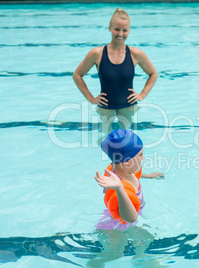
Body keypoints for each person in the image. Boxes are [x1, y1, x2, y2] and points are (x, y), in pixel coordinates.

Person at [73, 8, 158, 144]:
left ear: (129, 31)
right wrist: (91, 98)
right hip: (105, 108)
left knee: (127, 142)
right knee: (107, 142)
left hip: (128, 107)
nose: (120, 34)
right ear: (109, 28)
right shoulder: (97, 53)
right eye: (117, 29)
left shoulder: (135, 54)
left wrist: (142, 95)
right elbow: (77, 75)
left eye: (125, 30)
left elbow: (153, 74)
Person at [94, 129, 163, 230]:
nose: (143, 158)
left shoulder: (125, 169)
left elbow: (134, 175)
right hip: (116, 227)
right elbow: (131, 218)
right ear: (127, 161)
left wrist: (148, 176)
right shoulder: (119, 188)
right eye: (140, 155)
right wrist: (119, 188)